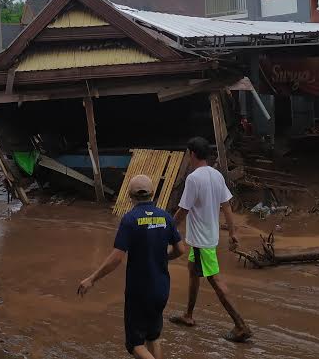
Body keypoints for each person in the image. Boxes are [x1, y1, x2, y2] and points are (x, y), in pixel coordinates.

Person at [78, 175, 186, 359]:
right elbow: (180, 250)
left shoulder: (130, 220)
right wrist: (160, 257)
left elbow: (116, 258)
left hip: (140, 291)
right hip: (161, 288)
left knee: (135, 344)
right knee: (153, 336)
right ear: (153, 194)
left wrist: (92, 278)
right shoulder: (166, 217)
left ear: (130, 196)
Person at [169, 137, 252, 343]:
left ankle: (241, 325)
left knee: (214, 279)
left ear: (192, 154)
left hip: (201, 240)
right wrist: (232, 233)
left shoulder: (193, 178)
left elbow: (183, 210)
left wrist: (168, 228)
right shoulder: (216, 175)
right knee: (193, 272)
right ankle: (188, 315)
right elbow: (227, 206)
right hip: (209, 237)